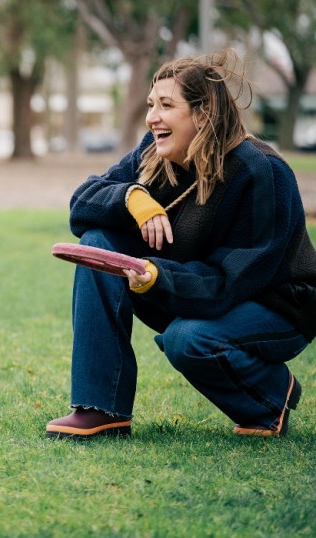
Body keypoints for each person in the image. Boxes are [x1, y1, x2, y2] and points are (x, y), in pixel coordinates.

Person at [46, 49, 316, 439]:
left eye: (167, 105)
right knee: (98, 243)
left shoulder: (261, 171)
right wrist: (132, 198)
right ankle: (100, 408)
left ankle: (270, 395)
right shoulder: (154, 151)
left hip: (276, 305)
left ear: (203, 114)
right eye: (151, 104)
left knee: (187, 339)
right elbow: (82, 204)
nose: (152, 117)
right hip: (194, 288)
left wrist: (156, 275)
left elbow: (231, 281)